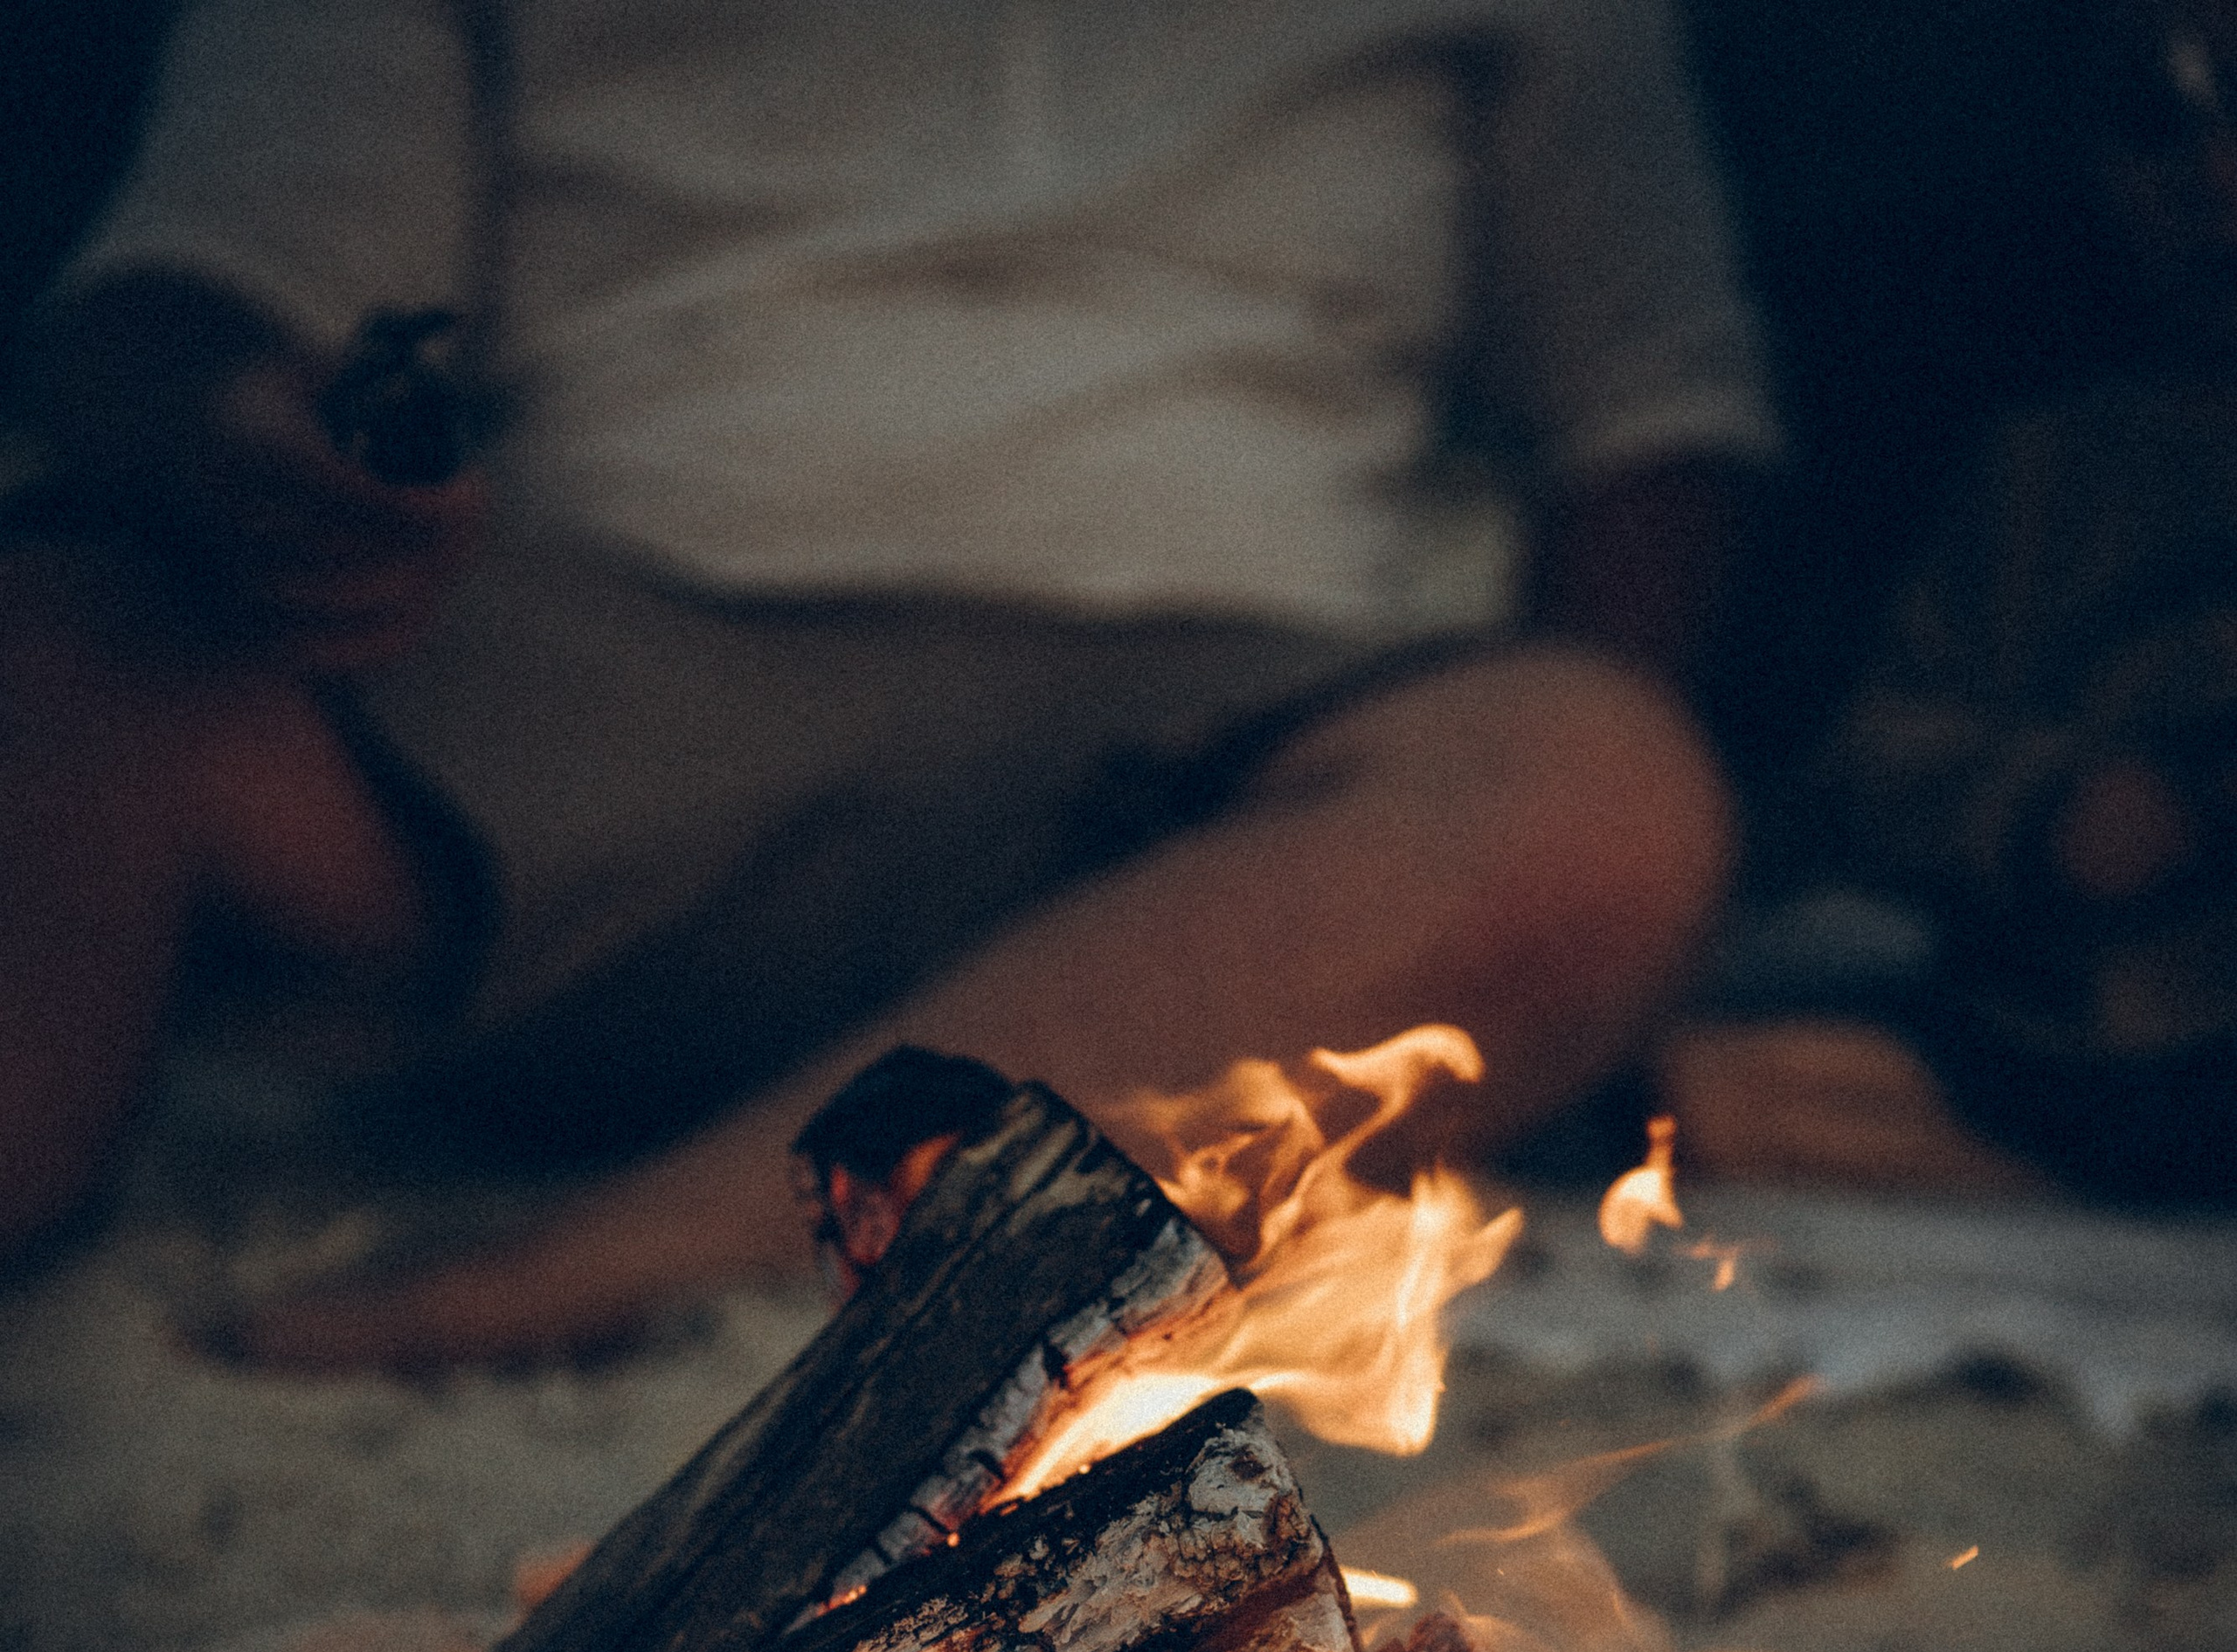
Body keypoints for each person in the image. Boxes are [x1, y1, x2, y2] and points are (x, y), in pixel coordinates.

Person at [1, 0, 1779, 1363]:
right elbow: (204, 283)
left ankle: (622, 1268)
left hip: (1202, 786)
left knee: (1597, 790)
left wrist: (1540, 969)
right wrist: (255, 452)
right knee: (61, 645)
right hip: (543, 711)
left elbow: (1653, 423)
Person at [1817, 0, 2237, 1200]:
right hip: (2061, 1035)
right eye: (2159, 132)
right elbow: (1870, 756)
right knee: (1704, 1086)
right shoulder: (2047, 471)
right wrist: (2046, 806)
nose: (2214, 176)